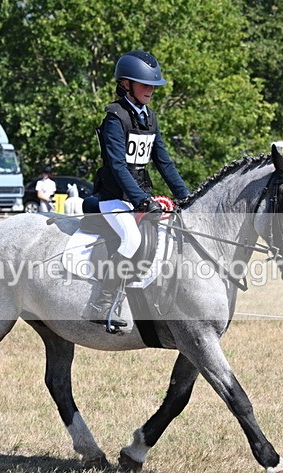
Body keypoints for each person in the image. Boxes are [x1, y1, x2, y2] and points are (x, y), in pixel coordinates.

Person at [86, 49, 191, 328]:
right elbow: (118, 167)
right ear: (126, 85)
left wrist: (185, 195)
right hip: (113, 198)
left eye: (153, 85)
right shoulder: (114, 117)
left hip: (140, 197)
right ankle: (101, 304)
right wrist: (141, 199)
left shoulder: (150, 118)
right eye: (145, 84)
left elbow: (164, 161)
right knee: (131, 239)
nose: (151, 90)